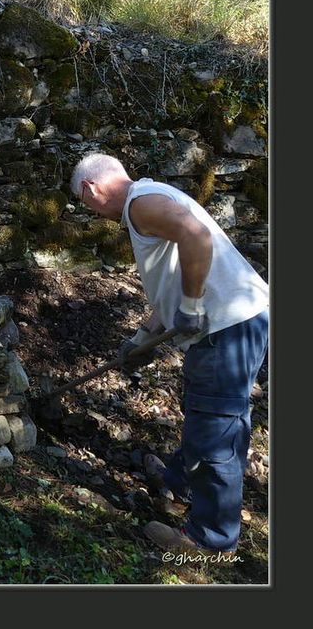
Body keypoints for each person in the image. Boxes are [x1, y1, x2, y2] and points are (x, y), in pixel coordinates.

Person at [69, 153, 268, 555]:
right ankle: (178, 482)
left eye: (83, 202)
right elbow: (172, 280)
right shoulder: (149, 198)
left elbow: (195, 235)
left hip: (225, 326)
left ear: (91, 189)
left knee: (217, 426)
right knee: (203, 411)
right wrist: (143, 335)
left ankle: (210, 541)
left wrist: (193, 306)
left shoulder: (141, 204)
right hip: (236, 320)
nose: (90, 212)